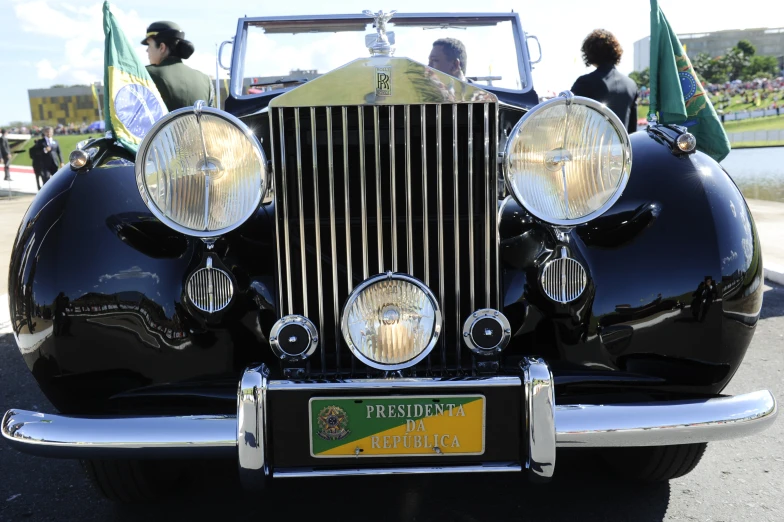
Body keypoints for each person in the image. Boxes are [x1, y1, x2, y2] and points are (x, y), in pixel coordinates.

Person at [570, 29, 638, 134]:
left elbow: (572, 122)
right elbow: (633, 130)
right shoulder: (631, 85)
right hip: (624, 149)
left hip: (594, 149)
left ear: (589, 53)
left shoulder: (584, 83)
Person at [142, 21, 214, 111]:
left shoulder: (146, 74)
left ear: (162, 47)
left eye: (149, 45)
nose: (147, 50)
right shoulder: (205, 80)